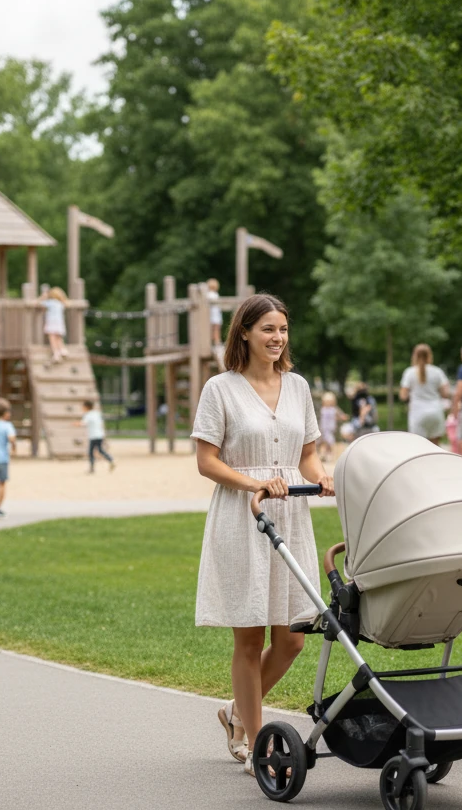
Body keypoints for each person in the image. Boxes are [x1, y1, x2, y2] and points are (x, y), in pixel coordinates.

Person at [191, 293, 334, 777]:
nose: (277, 338)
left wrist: (322, 475)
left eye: (283, 330)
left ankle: (235, 711)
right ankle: (256, 744)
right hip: (243, 514)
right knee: (249, 638)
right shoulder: (220, 389)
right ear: (245, 333)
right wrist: (256, 483)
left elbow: (306, 454)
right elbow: (206, 461)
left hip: (290, 515)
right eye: (268, 329)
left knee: (293, 636)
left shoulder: (298, 387)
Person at [399, 344, 450, 445]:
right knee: (435, 447)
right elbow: (445, 394)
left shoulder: (409, 372)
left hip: (417, 413)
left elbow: (403, 396)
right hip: (436, 411)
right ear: (430, 356)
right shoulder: (437, 371)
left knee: (419, 447)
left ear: (414, 356)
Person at [79, 400, 115, 473]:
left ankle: (92, 468)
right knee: (100, 450)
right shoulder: (97, 413)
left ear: (86, 407)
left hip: (93, 436)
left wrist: (74, 424)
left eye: (83, 406)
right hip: (100, 434)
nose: (82, 408)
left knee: (91, 452)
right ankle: (111, 460)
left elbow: (83, 423)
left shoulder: (88, 415)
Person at [317, 391, 347, 460]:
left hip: (330, 428)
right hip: (323, 428)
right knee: (324, 442)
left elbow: (338, 415)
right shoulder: (323, 409)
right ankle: (323, 455)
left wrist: (342, 417)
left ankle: (332, 455)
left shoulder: (334, 409)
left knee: (330, 442)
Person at [43, 287, 69, 364]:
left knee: (52, 337)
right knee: (59, 337)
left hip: (52, 322)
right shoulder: (61, 303)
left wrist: (43, 296)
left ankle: (56, 354)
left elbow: (39, 303)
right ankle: (63, 350)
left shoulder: (50, 302)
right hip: (60, 322)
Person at [208, 278, 223, 348]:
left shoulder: (207, 294)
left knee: (210, 330)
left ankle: (210, 343)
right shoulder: (215, 294)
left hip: (210, 315)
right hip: (215, 315)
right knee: (216, 330)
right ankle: (217, 342)